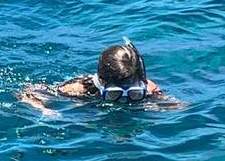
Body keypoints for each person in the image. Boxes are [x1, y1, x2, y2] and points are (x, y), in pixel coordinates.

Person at [17, 39, 179, 115]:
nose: (124, 100)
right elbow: (27, 92)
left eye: (133, 93)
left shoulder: (148, 87)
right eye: (114, 94)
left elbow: (174, 105)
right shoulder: (78, 89)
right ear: (101, 82)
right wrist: (44, 110)